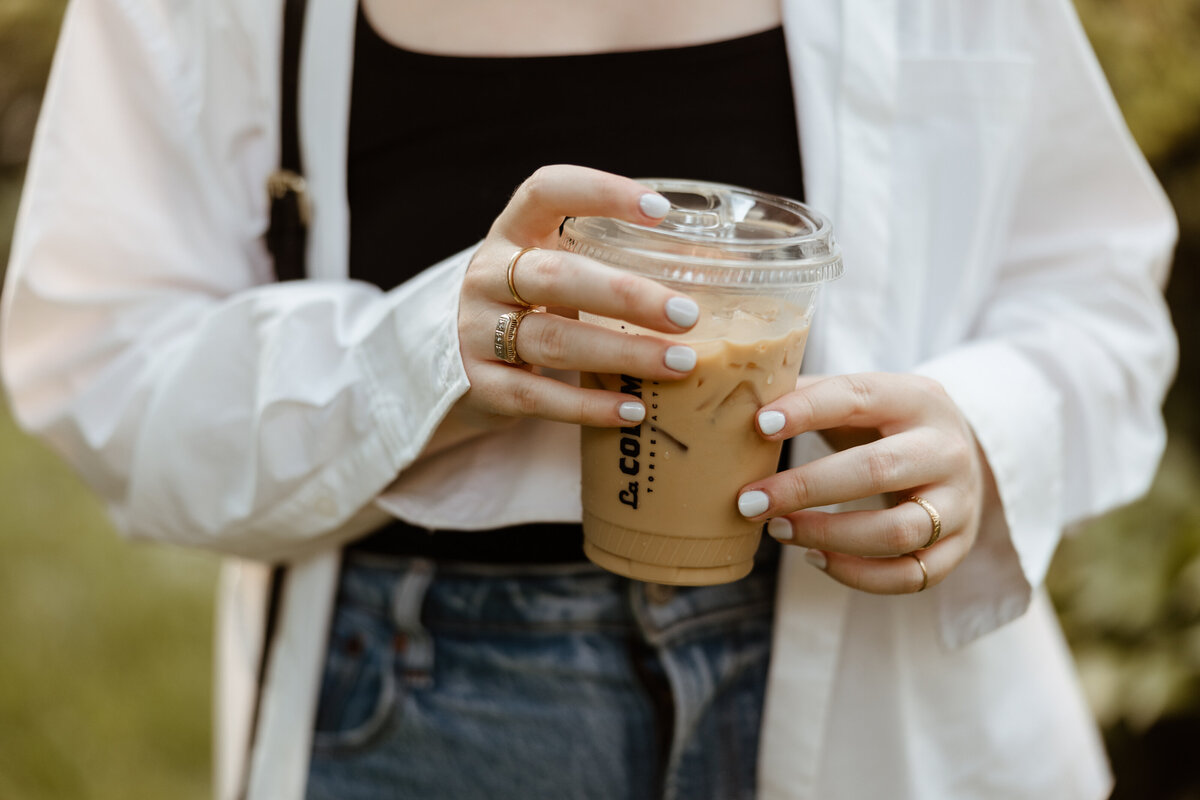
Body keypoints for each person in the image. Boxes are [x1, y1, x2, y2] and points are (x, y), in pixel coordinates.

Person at [0, 0, 1177, 798]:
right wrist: (422, 355)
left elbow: (1097, 289)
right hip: (427, 690)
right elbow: (100, 353)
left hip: (884, 683)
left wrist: (981, 430)